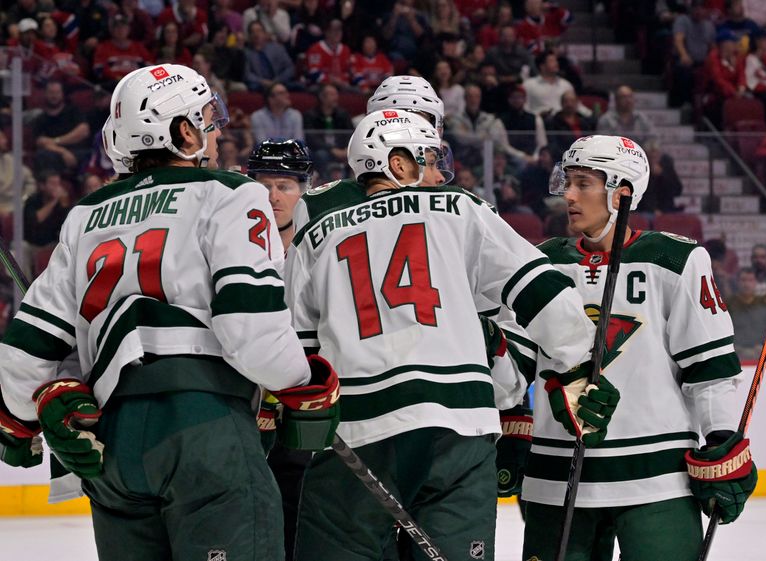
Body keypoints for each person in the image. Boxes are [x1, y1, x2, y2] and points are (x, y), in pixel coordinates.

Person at [0, 64, 340, 560]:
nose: (217, 130)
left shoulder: (86, 215)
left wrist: (32, 409)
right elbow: (250, 331)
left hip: (112, 450)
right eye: (207, 117)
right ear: (184, 132)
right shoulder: (231, 192)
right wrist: (300, 381)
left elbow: (23, 358)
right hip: (206, 430)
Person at [286, 108, 605, 561]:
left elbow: (293, 343)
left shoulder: (317, 231)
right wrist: (580, 364)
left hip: (358, 428)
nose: (440, 174)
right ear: (399, 163)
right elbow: (542, 288)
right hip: (457, 424)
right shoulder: (462, 208)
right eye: (431, 160)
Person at [522, 135, 758, 561]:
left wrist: (721, 440)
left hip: (657, 480)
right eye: (567, 182)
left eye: (582, 183)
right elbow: (514, 365)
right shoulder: (539, 263)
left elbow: (709, 369)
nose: (568, 196)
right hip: (557, 476)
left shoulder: (674, 260)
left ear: (621, 192)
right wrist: (511, 425)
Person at [247, 138, 314, 561]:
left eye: (285, 185)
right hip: (247, 417)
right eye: (263, 185)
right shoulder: (230, 249)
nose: (273, 196)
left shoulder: (323, 248)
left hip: (306, 415)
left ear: (306, 189)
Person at [31, 79, 91, 173]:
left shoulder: (73, 111)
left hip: (78, 152)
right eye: (51, 92)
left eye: (57, 92)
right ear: (45, 94)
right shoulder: (40, 119)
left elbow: (83, 131)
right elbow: (41, 142)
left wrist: (56, 141)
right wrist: (63, 152)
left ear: (62, 94)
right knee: (42, 155)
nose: (54, 96)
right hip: (55, 154)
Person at [728, 267, 766, 358]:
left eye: (750, 280)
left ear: (756, 282)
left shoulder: (765, 306)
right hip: (736, 353)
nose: (747, 284)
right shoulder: (728, 305)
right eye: (743, 280)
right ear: (737, 282)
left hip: (760, 353)